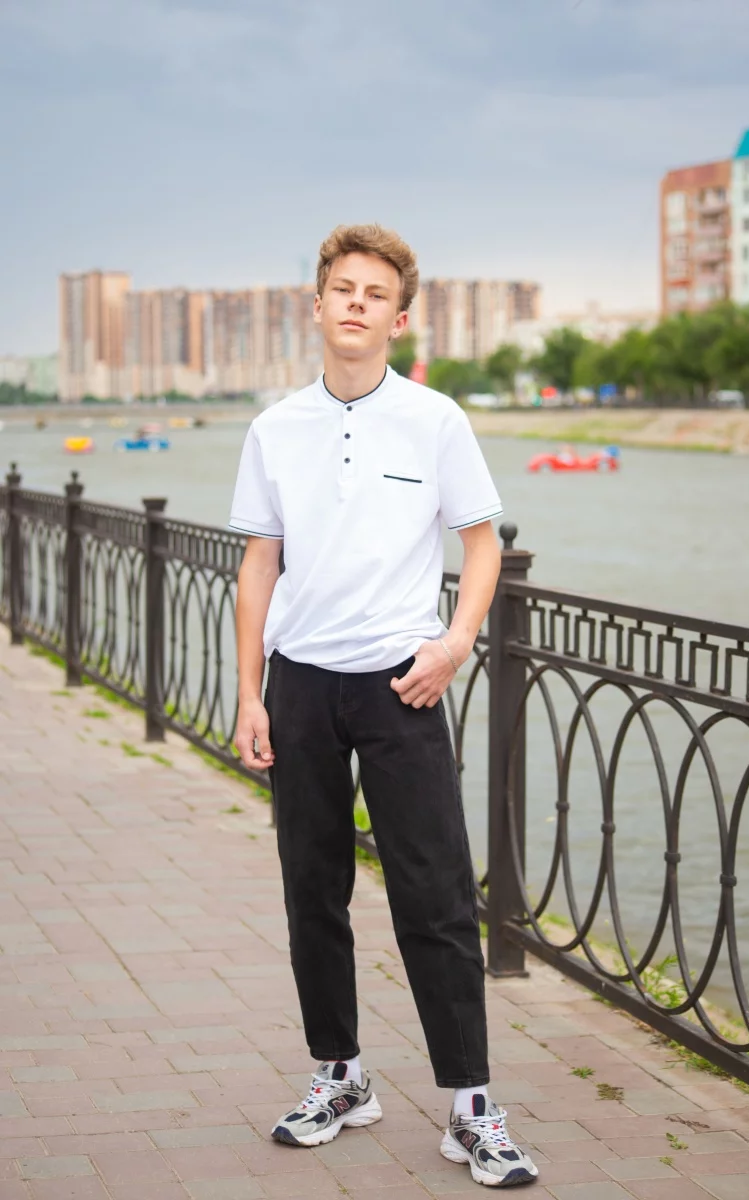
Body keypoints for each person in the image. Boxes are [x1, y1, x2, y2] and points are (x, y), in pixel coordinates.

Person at [230, 224, 539, 1189]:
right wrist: (248, 694)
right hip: (300, 685)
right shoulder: (275, 428)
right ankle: (340, 1077)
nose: (357, 304)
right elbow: (258, 564)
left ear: (398, 319)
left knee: (434, 895)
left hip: (403, 683)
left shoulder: (434, 420)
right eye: (343, 289)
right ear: (317, 306)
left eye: (375, 294)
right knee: (310, 891)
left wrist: (454, 644)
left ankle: (471, 1108)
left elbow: (481, 544)